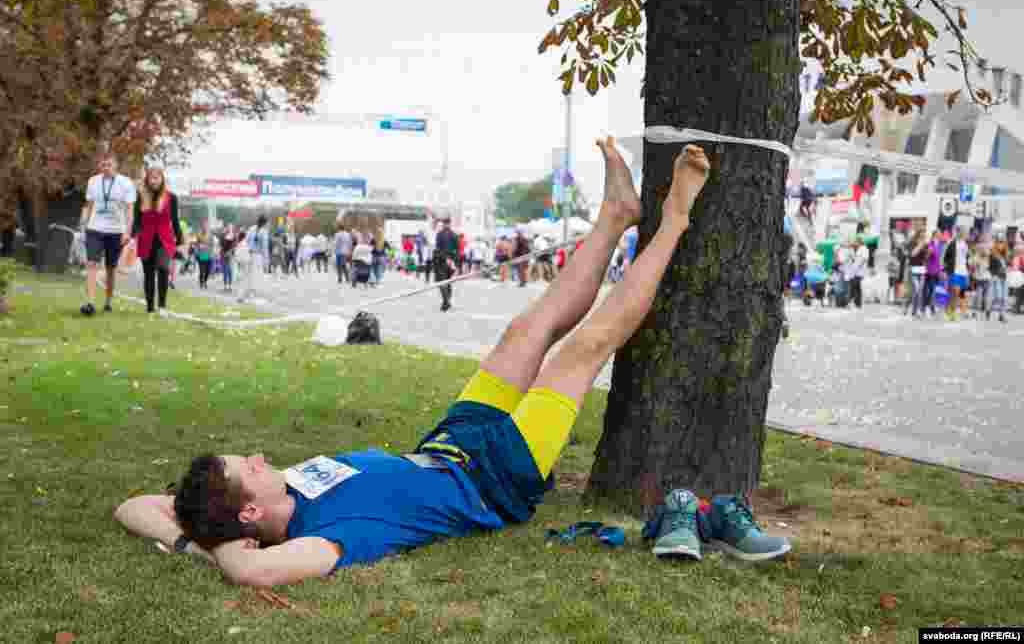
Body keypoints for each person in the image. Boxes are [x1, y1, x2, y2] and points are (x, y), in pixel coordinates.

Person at [113, 138, 787, 585]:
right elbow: (251, 573)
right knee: (581, 351)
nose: (260, 457)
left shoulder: (282, 491)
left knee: (527, 326)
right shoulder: (323, 538)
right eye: (248, 469)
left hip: (447, 443)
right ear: (252, 518)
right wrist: (221, 551)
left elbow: (132, 505)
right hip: (496, 481)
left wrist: (188, 537)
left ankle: (615, 216)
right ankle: (672, 219)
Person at [79, 153, 137, 315]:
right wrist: (84, 225)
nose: (106, 168)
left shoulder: (126, 183)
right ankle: (89, 303)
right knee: (91, 263)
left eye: (109, 165)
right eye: (103, 165)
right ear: (100, 166)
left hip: (116, 230)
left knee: (111, 268)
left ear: (116, 166)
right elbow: (89, 205)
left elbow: (130, 211)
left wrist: (127, 232)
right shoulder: (93, 181)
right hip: (95, 228)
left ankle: (108, 301)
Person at [132, 167, 183, 315]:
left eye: (157, 177)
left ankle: (162, 306)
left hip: (164, 239)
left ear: (162, 179)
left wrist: (180, 241)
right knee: (148, 273)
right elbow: (137, 220)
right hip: (146, 238)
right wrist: (132, 235)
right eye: (151, 178)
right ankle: (150, 307)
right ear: (147, 180)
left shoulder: (171, 197)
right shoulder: (141, 196)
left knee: (163, 269)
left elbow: (175, 221)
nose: (154, 181)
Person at [434, 217, 459, 312]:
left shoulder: (440, 234)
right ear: (450, 223)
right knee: (448, 282)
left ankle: (446, 301)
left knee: (441, 281)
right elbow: (457, 250)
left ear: (444, 224)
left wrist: (445, 258)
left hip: (442, 260)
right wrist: (455, 262)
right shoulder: (454, 235)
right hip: (451, 261)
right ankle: (447, 301)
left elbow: (438, 248)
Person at [943, 229, 969, 321]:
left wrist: (967, 271)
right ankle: (950, 312)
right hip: (954, 271)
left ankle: (950, 310)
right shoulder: (952, 243)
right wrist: (945, 271)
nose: (965, 234)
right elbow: (946, 258)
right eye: (963, 233)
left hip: (963, 272)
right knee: (955, 291)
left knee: (958, 294)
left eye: (965, 233)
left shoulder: (966, 244)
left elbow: (966, 259)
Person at [220, 225, 238, 293]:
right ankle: (225, 286)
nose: (229, 229)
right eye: (228, 228)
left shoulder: (234, 236)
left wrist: (230, 252)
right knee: (225, 270)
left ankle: (230, 285)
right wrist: (224, 253)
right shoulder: (223, 236)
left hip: (231, 255)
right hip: (223, 255)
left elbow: (235, 246)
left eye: (231, 228)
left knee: (230, 270)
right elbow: (221, 245)